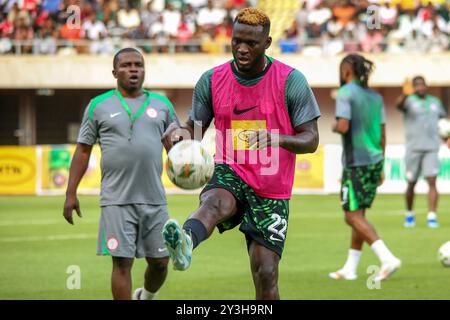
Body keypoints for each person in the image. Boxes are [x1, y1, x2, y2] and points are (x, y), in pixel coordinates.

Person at [161, 7, 321, 300]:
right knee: (213, 203)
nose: (242, 49)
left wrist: (277, 138)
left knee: (266, 273)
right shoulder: (212, 79)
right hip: (230, 167)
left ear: (268, 43)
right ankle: (185, 242)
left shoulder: (290, 80)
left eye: (251, 43)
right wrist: (177, 137)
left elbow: (311, 140)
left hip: (272, 187)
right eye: (237, 41)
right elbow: (193, 131)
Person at [63, 48, 176, 300]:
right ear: (114, 72)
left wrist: (186, 155)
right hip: (116, 199)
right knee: (122, 264)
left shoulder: (163, 105)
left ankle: (145, 296)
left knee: (160, 261)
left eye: (138, 64)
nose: (133, 69)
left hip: (154, 198)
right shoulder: (98, 106)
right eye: (126, 65)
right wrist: (71, 193)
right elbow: (82, 151)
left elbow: (179, 145)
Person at [329, 54, 401, 282]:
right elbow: (383, 133)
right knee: (359, 214)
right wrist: (381, 165)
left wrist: (334, 125)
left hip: (355, 162)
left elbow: (343, 125)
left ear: (346, 71)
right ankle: (350, 267)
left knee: (351, 216)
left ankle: (387, 258)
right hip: (375, 160)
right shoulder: (376, 97)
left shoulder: (345, 93)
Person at [396, 76, 447, 228]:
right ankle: (409, 214)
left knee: (432, 181)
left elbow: (442, 122)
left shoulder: (435, 102)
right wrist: (405, 94)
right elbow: (398, 105)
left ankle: (432, 216)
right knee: (411, 183)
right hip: (413, 148)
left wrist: (447, 137)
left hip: (432, 147)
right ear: (413, 87)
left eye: (422, 85)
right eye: (416, 85)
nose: (420, 88)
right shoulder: (408, 100)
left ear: (426, 86)